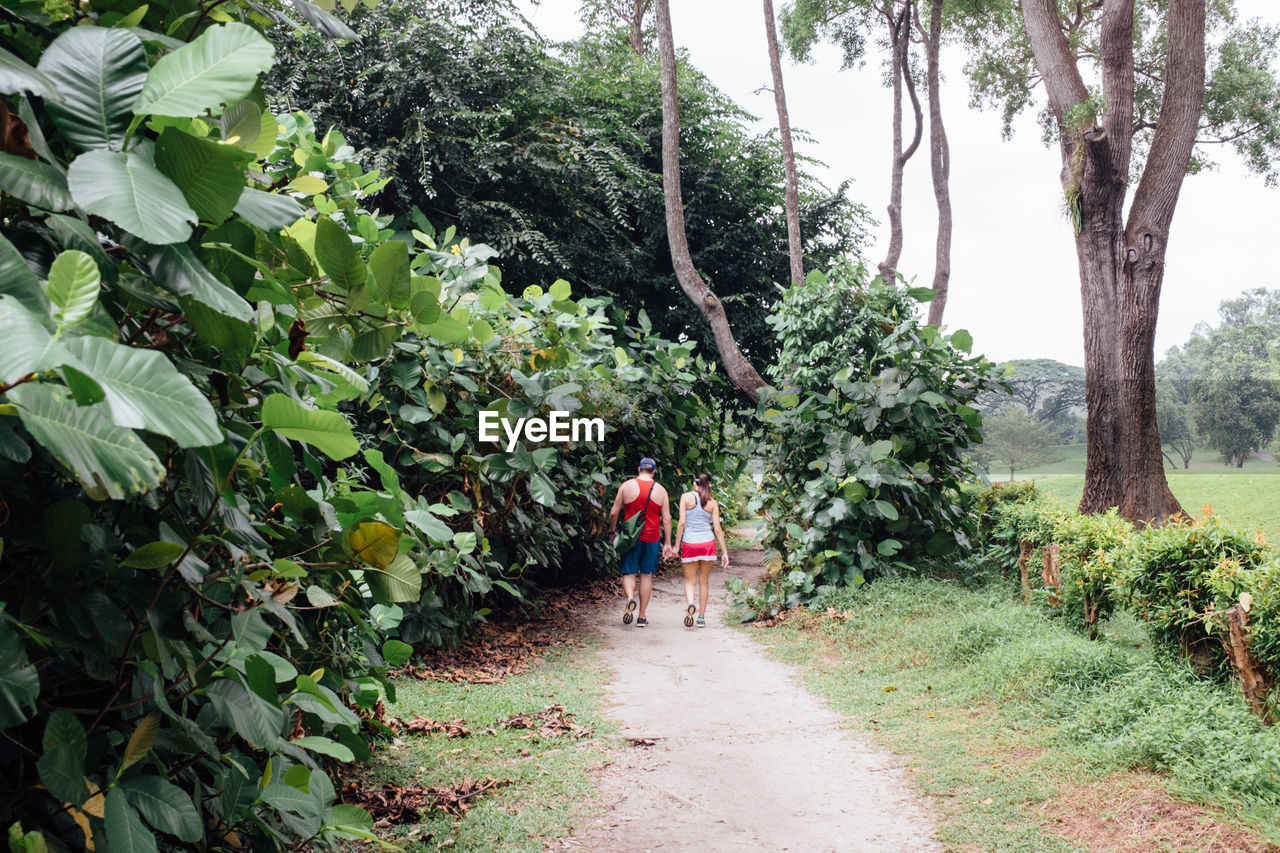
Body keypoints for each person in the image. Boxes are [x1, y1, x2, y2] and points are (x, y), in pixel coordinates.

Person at [607, 457, 672, 627]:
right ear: (654, 472)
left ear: (638, 469)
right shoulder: (661, 490)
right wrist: (667, 543)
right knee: (646, 575)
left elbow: (614, 512)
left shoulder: (626, 486)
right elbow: (667, 519)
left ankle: (629, 599)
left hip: (630, 538)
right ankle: (642, 616)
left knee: (628, 573)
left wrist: (612, 532)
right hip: (651, 538)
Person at [673, 472, 729, 628]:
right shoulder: (712, 503)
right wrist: (724, 552)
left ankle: (690, 604)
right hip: (707, 544)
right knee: (703, 582)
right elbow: (718, 529)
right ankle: (701, 618)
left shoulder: (685, 497)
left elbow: (682, 523)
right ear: (708, 485)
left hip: (690, 544)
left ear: (694, 483)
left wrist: (677, 546)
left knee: (690, 581)